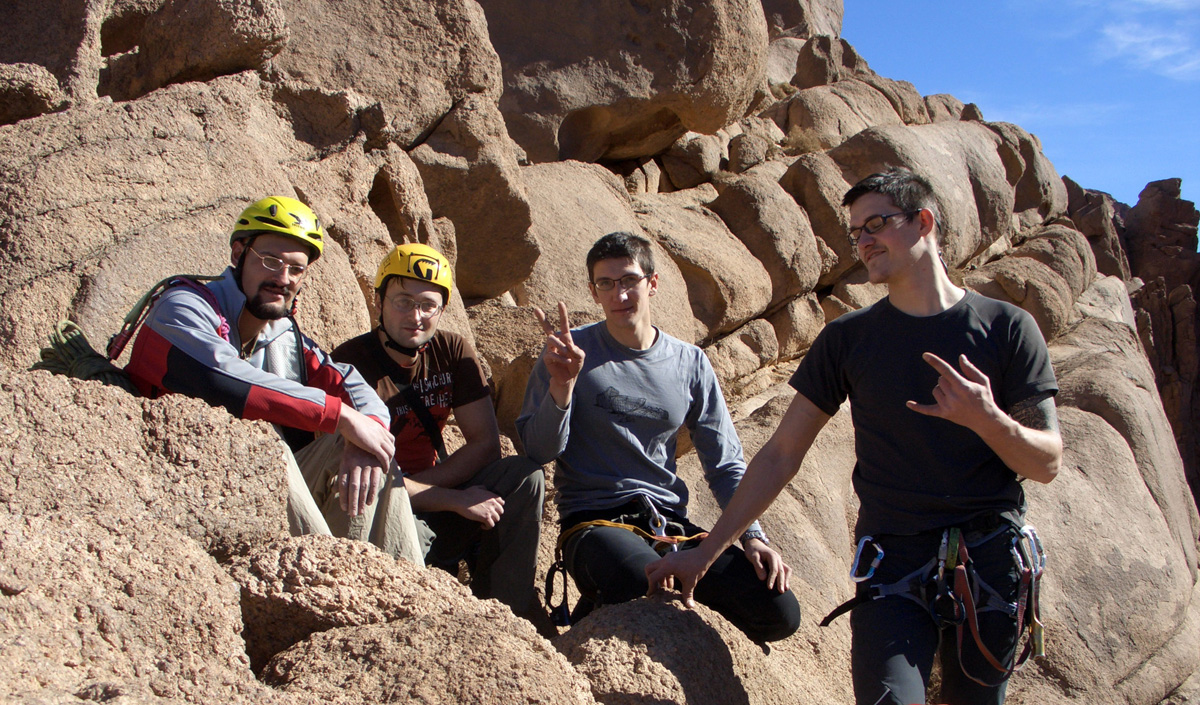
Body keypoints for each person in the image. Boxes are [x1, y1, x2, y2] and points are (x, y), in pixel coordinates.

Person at [646, 167, 1062, 704]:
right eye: (856, 233)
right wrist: (705, 553)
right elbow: (780, 456)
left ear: (924, 222)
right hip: (893, 565)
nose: (864, 242)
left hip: (989, 563)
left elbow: (1047, 462)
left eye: (878, 224)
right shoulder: (849, 339)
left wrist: (989, 419)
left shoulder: (1006, 328)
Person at [517, 231, 801, 643]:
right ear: (594, 293)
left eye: (629, 280)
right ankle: (601, 608)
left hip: (669, 524)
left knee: (778, 610)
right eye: (606, 284)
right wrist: (562, 388)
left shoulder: (690, 362)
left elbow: (725, 463)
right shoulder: (568, 352)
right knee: (643, 584)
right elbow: (538, 450)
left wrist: (753, 536)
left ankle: (605, 606)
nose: (620, 294)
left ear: (652, 283)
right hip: (594, 523)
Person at [124, 196, 422, 563]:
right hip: (172, 484)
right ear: (238, 253)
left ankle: (412, 593)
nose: (283, 279)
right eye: (270, 261)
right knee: (268, 445)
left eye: (295, 269)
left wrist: (365, 430)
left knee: (372, 448)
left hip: (252, 494)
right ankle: (329, 578)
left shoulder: (283, 334)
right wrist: (341, 417)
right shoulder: (182, 308)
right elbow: (227, 381)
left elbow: (349, 382)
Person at [333, 243, 545, 618]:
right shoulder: (350, 364)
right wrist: (452, 499)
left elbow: (485, 444)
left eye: (428, 305)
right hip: (383, 507)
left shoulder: (451, 350)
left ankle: (505, 613)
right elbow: (355, 478)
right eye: (403, 301)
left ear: (442, 310)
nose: (416, 315)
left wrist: (442, 492)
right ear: (378, 301)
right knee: (387, 515)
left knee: (523, 476)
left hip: (429, 489)